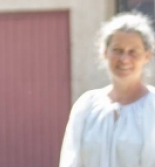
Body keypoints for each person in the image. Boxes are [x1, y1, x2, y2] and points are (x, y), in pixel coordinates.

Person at [59, 11, 155, 167]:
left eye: (133, 52)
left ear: (147, 56)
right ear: (105, 53)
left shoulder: (153, 107)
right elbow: (71, 161)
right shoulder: (86, 106)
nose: (124, 59)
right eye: (117, 50)